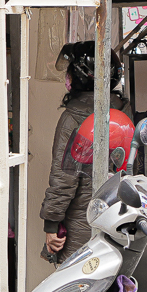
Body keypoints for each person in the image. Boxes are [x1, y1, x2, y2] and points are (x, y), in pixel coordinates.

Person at [41, 42, 121, 265]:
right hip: (117, 214)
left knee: (76, 285)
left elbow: (64, 178)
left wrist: (51, 224)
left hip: (82, 220)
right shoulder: (122, 111)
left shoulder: (73, 118)